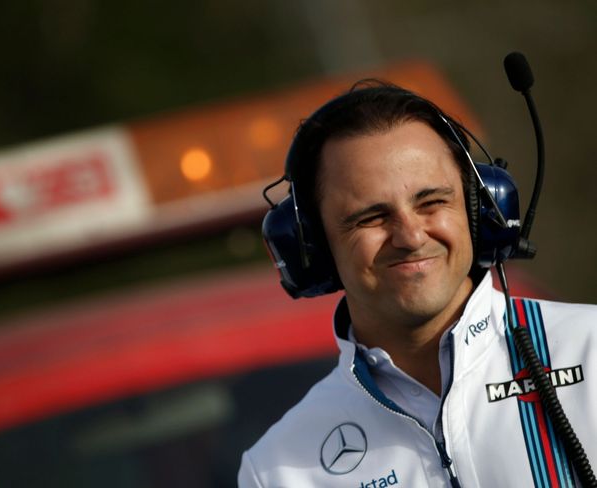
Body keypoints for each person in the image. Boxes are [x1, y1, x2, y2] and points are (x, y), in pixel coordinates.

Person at [238, 81, 596, 487]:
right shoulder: (277, 470)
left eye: (432, 202)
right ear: (314, 247)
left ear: (482, 208)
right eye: (370, 217)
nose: (410, 237)